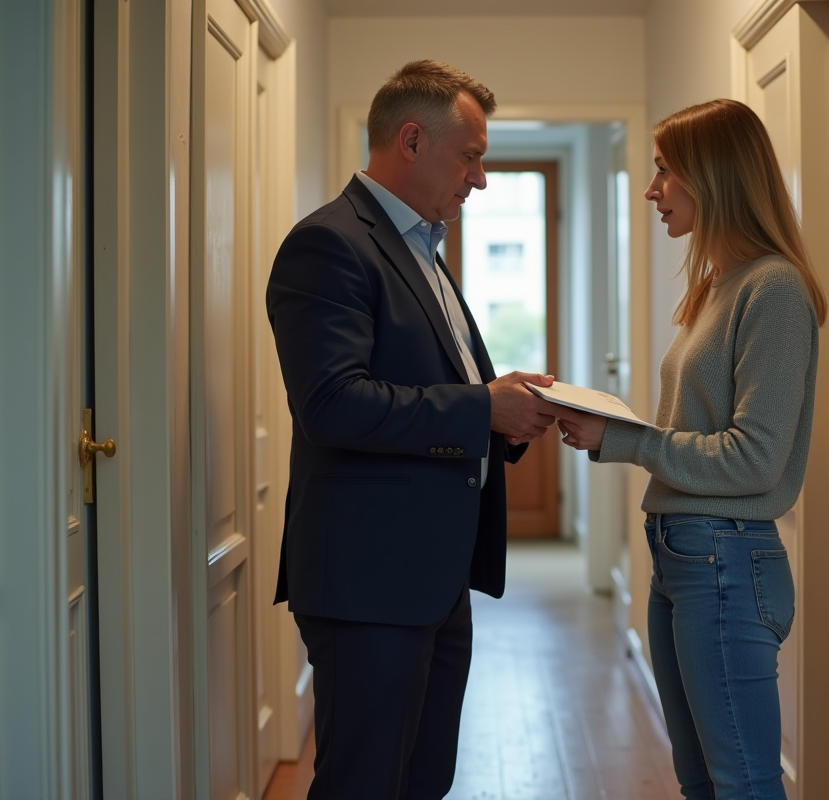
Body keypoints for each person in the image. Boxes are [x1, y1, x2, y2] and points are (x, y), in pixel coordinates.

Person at [266, 60, 559, 799]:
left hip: (430, 581)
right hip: (369, 584)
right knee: (364, 784)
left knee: (421, 781)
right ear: (411, 141)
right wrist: (480, 408)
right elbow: (333, 402)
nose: (480, 179)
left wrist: (509, 415)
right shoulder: (330, 244)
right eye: (471, 156)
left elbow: (439, 385)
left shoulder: (422, 249)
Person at [556, 98, 826, 800]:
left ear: (716, 178)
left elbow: (753, 458)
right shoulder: (713, 288)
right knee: (702, 783)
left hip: (727, 559)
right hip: (683, 555)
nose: (651, 191)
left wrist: (627, 440)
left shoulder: (775, 290)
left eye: (664, 172)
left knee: (741, 786)